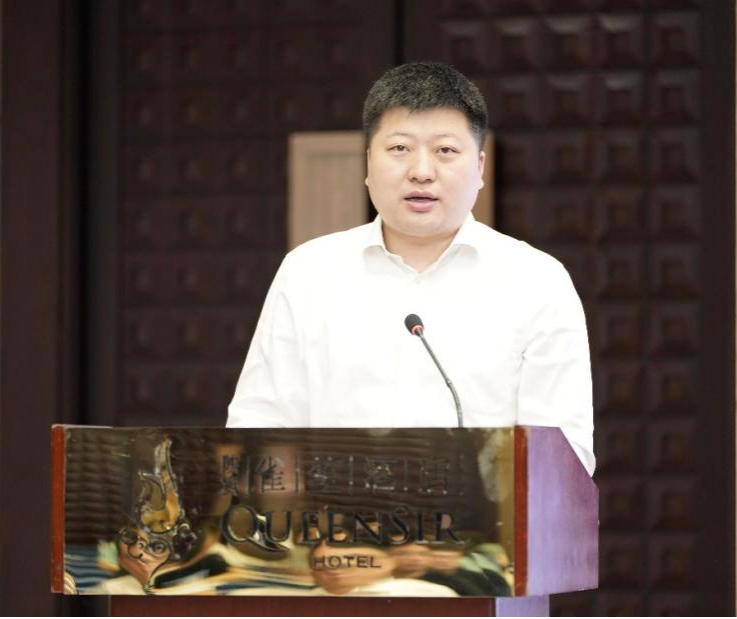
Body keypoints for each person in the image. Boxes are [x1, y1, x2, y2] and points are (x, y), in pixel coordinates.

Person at [227, 61, 595, 476]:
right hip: (331, 516)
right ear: (368, 163)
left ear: (480, 168)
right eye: (400, 148)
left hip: (479, 518)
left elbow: (562, 454)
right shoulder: (309, 273)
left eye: (446, 151)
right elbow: (259, 426)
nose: (421, 171)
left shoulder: (537, 281)